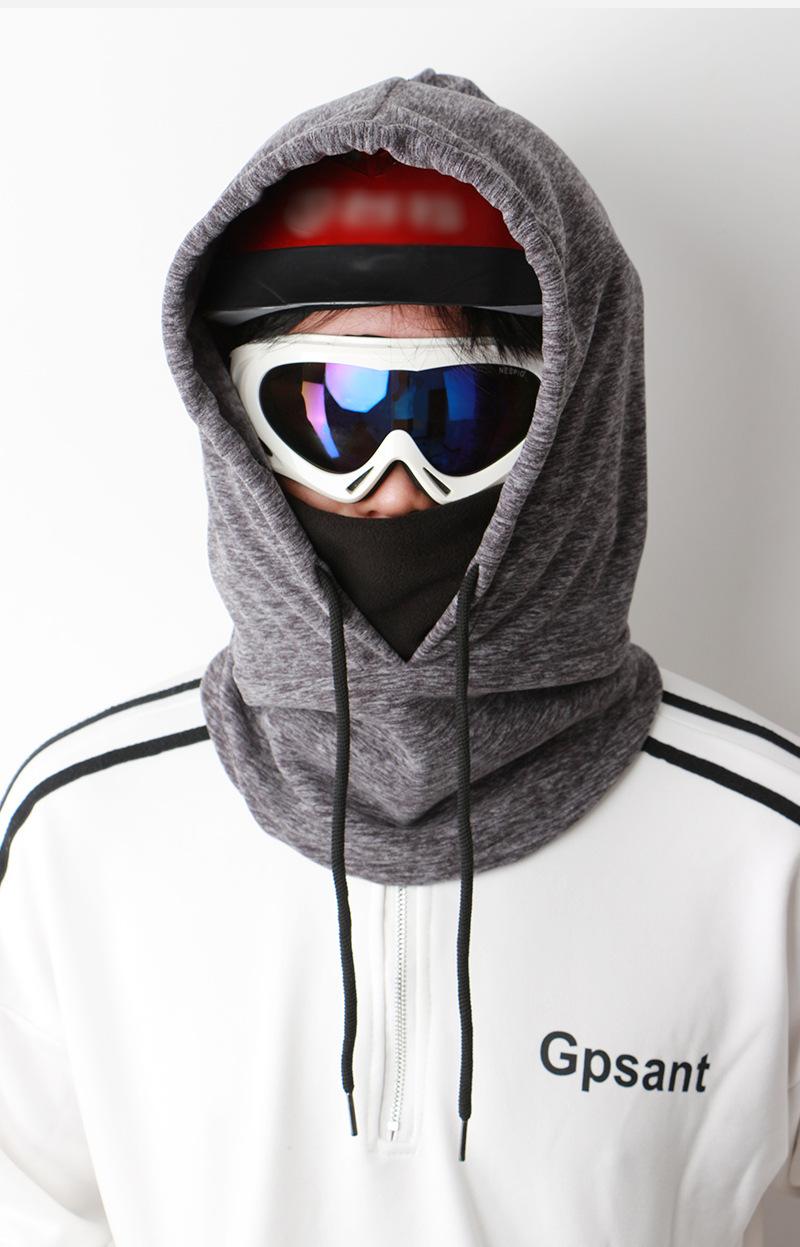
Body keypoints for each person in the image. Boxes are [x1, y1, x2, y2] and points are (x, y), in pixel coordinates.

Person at [1, 66, 799, 1247]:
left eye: (456, 419)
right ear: (233, 424)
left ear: (570, 425)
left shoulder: (766, 847)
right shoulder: (79, 827)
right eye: (327, 410)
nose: (391, 485)